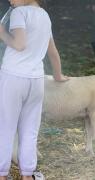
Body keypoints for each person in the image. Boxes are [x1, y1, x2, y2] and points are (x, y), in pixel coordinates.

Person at [0, 0, 68, 179]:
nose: (10, 0)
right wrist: (58, 76)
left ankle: (1, 173)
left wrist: (2, 34)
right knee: (30, 129)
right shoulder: (45, 16)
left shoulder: (18, 13)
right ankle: (28, 174)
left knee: (6, 126)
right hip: (36, 80)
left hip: (13, 76)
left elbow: (20, 44)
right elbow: (52, 51)